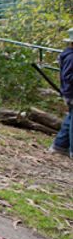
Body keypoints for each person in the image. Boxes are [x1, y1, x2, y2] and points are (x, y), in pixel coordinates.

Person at [49, 29, 73, 157]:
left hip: (69, 92)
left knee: (70, 118)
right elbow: (68, 76)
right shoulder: (71, 57)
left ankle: (60, 145)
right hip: (71, 92)